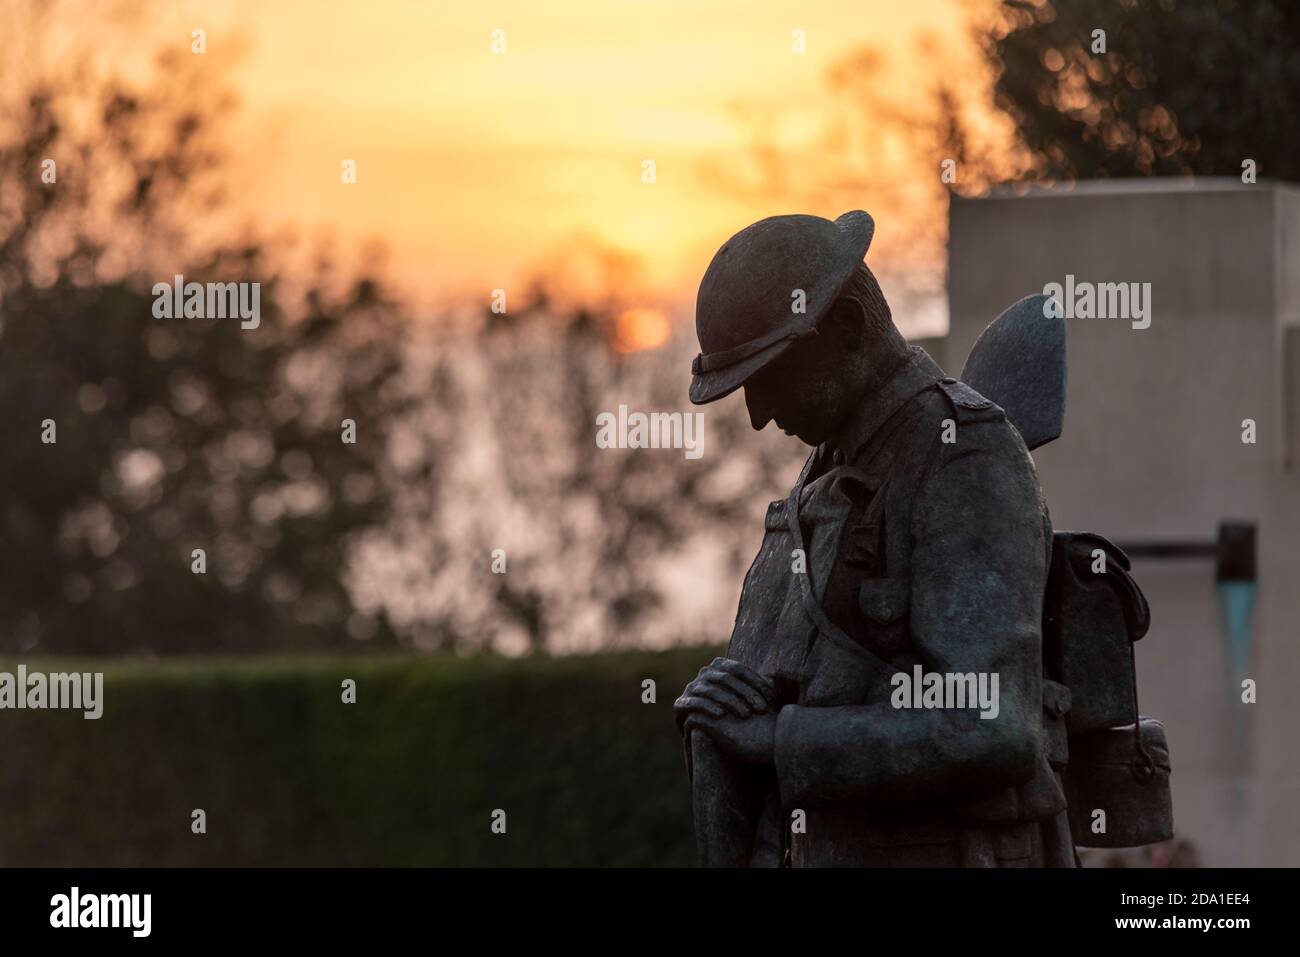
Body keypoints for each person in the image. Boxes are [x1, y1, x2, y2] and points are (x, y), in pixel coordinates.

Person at [674, 211, 1073, 867]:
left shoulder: (963, 456)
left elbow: (994, 724)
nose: (757, 414)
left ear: (850, 330)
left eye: (771, 375)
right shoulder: (827, 465)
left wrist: (780, 738)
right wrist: (719, 707)